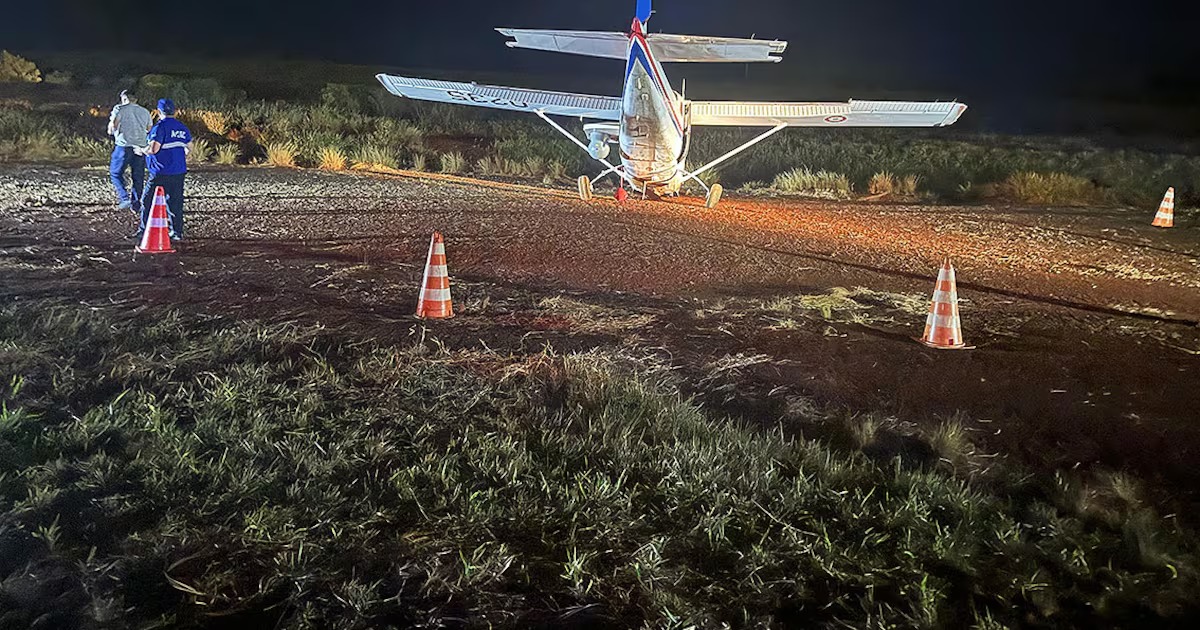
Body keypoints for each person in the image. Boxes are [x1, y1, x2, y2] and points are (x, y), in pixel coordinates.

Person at [136, 98, 192, 240]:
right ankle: (177, 232)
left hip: (160, 171)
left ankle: (144, 230)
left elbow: (154, 148)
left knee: (147, 201)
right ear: (175, 111)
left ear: (159, 111)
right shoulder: (182, 127)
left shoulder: (160, 127)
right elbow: (189, 148)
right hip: (178, 171)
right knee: (175, 202)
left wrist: (142, 150)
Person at [107, 90, 152, 213]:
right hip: (140, 147)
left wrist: (111, 130)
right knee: (138, 176)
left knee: (115, 173)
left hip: (124, 146)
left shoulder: (119, 108)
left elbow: (113, 126)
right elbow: (149, 129)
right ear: (136, 99)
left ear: (123, 98)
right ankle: (136, 204)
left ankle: (124, 197)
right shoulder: (145, 112)